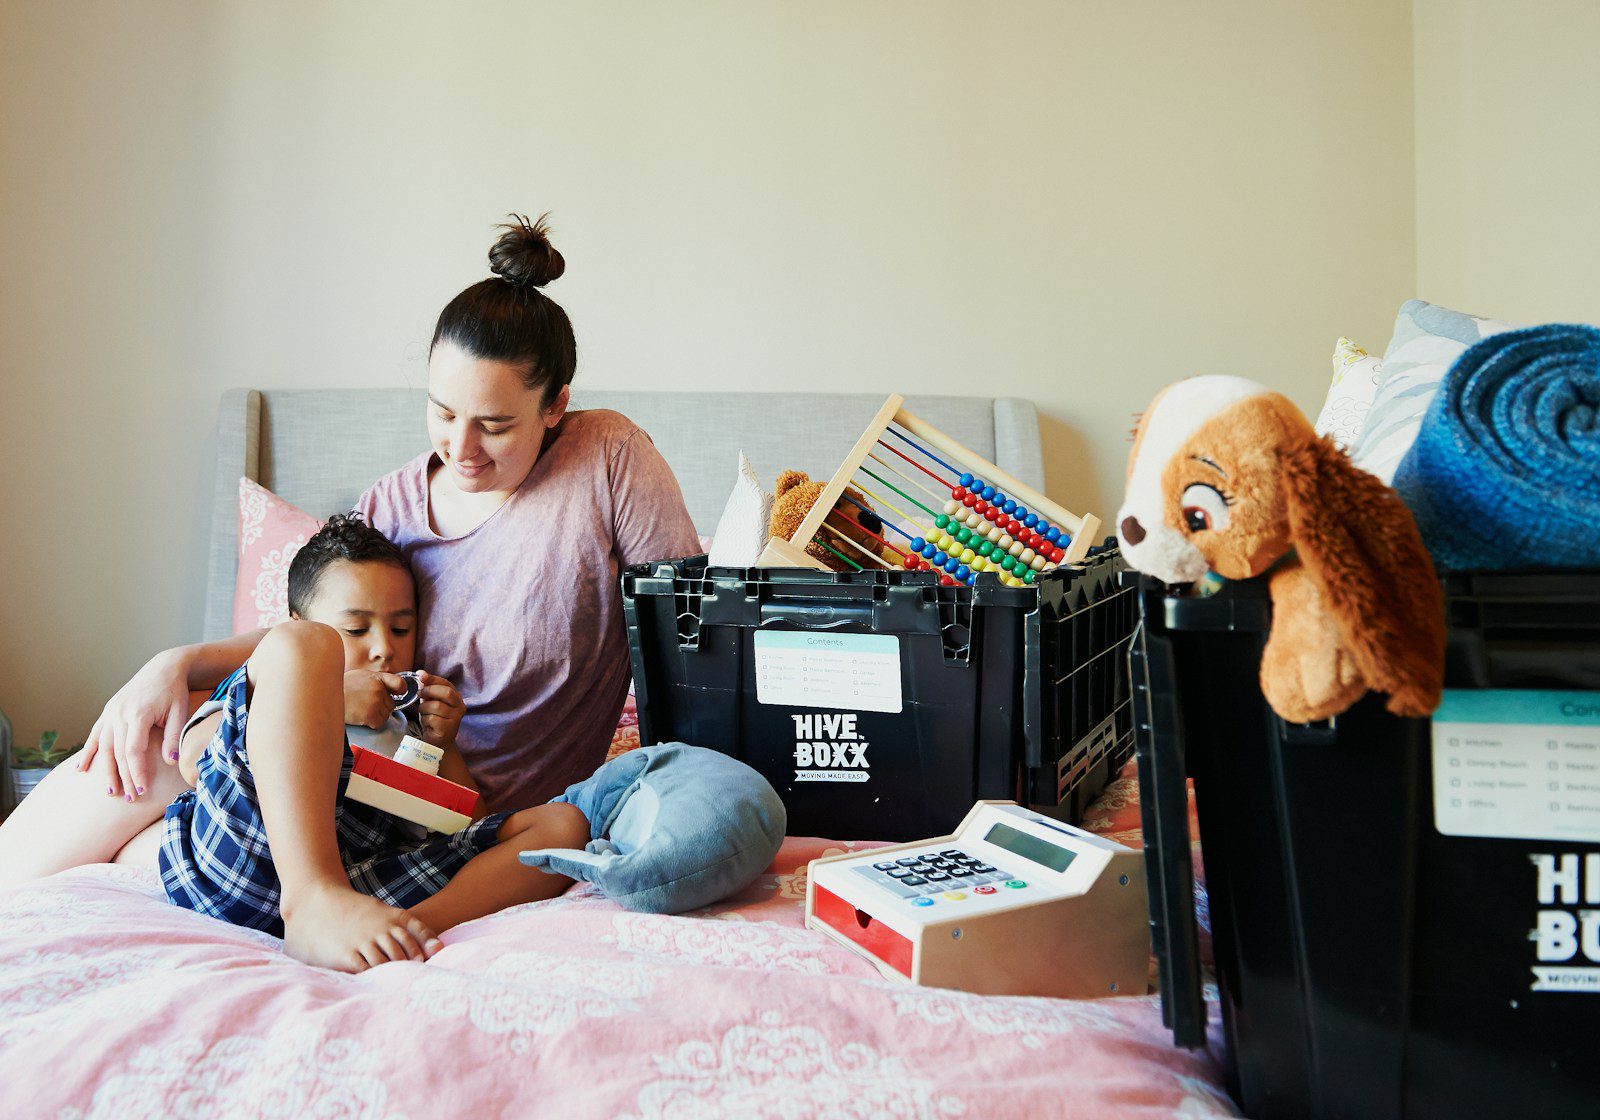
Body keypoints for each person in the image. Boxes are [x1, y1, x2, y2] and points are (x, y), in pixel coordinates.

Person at [0, 213, 700, 887]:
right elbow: (306, 642)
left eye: (494, 425)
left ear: (555, 407)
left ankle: (152, 857)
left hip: (466, 807)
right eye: (443, 412)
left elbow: (691, 635)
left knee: (186, 773)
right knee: (175, 722)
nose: (461, 449)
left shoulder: (605, 458)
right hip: (356, 769)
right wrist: (172, 662)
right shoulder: (390, 505)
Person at [164, 513, 588, 971]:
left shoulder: (409, 715)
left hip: (361, 880)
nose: (384, 647)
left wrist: (444, 746)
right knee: (304, 647)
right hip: (243, 857)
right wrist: (334, 697)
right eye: (356, 630)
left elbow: (463, 825)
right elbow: (193, 759)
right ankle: (312, 900)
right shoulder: (272, 669)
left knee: (563, 827)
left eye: (401, 629)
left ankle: (400, 930)